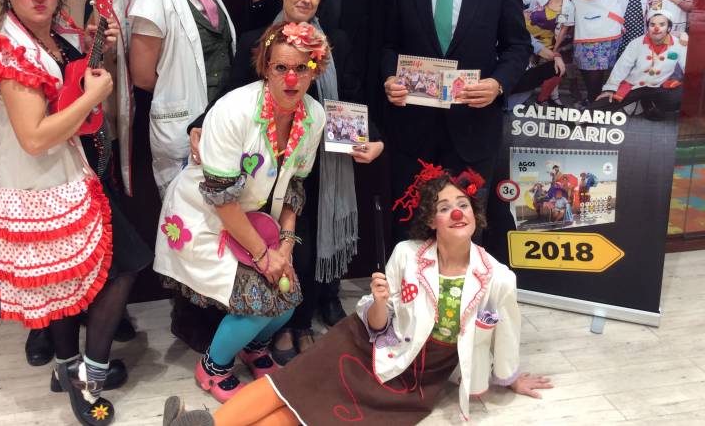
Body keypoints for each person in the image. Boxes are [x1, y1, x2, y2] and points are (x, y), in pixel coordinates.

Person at [162, 165, 552, 426]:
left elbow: (506, 333)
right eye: (444, 207)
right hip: (365, 340)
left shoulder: (497, 277)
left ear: (474, 213)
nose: (456, 213)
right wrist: (380, 302)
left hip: (418, 374)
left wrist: (510, 377)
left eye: (462, 205)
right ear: (430, 221)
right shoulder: (406, 255)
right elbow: (377, 323)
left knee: (317, 412)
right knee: (294, 382)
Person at [0, 0, 148, 426]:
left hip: (61, 181)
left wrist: (85, 53)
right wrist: (93, 96)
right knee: (117, 268)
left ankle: (69, 370)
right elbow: (36, 135)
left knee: (62, 287)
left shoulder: (38, 38)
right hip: (42, 186)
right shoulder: (10, 53)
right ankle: (88, 375)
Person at [189, 0, 384, 364]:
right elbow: (228, 92)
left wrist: (374, 137)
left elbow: (352, 96)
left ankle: (301, 321)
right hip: (266, 163)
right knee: (275, 241)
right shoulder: (259, 37)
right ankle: (275, 330)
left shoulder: (337, 42)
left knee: (305, 244)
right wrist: (199, 123)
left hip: (318, 158)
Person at [0, 0, 144, 367]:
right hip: (48, 175)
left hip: (82, 162)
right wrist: (93, 94)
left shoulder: (57, 27)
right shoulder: (13, 43)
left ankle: (74, 365)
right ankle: (79, 366)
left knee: (76, 269)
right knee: (80, 269)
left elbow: (71, 75)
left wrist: (97, 45)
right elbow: (31, 129)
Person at [153, 22, 328, 403]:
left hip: (254, 217)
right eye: (281, 67)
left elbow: (295, 185)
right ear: (266, 67)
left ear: (316, 69)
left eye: (303, 67)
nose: (291, 78)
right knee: (258, 302)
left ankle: (255, 349)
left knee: (289, 297)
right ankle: (213, 368)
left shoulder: (314, 116)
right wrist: (265, 257)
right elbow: (222, 198)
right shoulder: (234, 111)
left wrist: (284, 247)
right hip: (205, 215)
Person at [243, 0, 386, 330]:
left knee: (327, 208)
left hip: (338, 120)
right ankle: (292, 310)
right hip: (279, 134)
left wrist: (372, 131)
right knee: (286, 217)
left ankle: (324, 296)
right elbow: (249, 59)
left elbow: (368, 60)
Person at [382, 0, 531, 240]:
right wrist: (389, 78)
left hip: (474, 131)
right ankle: (415, 296)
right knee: (413, 233)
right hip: (413, 134)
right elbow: (387, 46)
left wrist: (497, 85)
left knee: (465, 234)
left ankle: (462, 297)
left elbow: (517, 46)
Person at [129, 0, 237, 196]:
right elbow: (143, 76)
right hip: (183, 125)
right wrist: (181, 90)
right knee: (189, 219)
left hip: (220, 120)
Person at [590, 9, 686, 118]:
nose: (656, 28)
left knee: (683, 94)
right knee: (604, 104)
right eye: (652, 24)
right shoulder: (636, 43)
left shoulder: (679, 45)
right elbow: (622, 67)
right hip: (634, 86)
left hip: (660, 87)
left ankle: (651, 105)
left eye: (662, 24)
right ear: (648, 27)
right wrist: (610, 88)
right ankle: (574, 121)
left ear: (669, 28)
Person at [572, 0, 624, 104]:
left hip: (597, 33)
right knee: (591, 71)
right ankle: (593, 102)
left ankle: (593, 105)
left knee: (592, 71)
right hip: (594, 30)